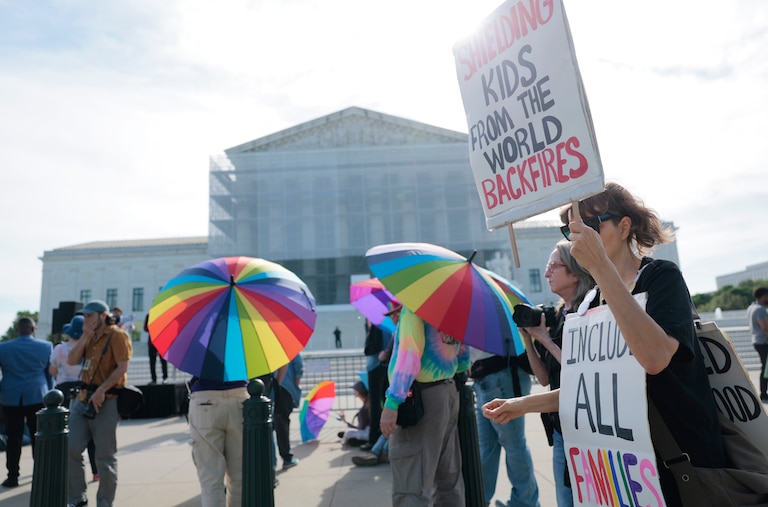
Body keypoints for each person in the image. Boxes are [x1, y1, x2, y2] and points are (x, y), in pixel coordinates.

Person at [482, 183, 726, 507]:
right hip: (623, 475)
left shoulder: (661, 278)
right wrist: (521, 405)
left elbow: (655, 358)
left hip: (677, 464)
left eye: (592, 224)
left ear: (624, 227)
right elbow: (588, 387)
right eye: (570, 228)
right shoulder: (589, 302)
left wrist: (600, 266)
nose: (578, 236)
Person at [517, 240, 595, 507]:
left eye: (553, 266)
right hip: (561, 426)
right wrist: (529, 339)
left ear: (574, 273)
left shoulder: (590, 311)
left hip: (588, 426)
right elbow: (544, 379)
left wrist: (546, 340)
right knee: (565, 501)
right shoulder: (559, 316)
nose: (546, 273)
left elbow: (583, 370)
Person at [380, 306, 470, 506]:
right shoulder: (451, 308)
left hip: (423, 398)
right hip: (447, 392)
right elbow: (463, 358)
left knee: (412, 482)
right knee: (449, 480)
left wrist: (392, 402)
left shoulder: (415, 308)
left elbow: (410, 355)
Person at [66, 300, 133, 507]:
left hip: (106, 401)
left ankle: (104, 502)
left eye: (89, 316)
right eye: (84, 316)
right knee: (71, 449)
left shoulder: (117, 335)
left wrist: (102, 389)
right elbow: (71, 359)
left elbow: (122, 367)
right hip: (82, 399)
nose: (85, 320)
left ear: (103, 316)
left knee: (105, 457)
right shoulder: (90, 336)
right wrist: (85, 335)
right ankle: (77, 499)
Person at [469, 345, 540, 507]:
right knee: (491, 447)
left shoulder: (491, 319)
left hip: (500, 375)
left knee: (513, 444)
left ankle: (524, 502)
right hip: (489, 378)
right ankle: (483, 498)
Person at [0, 317, 53, 488]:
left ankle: (12, 476)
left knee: (13, 438)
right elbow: (49, 374)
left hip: (11, 397)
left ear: (17, 329)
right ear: (33, 329)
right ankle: (40, 475)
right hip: (37, 395)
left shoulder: (3, 348)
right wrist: (49, 392)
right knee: (38, 436)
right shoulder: (46, 346)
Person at [50, 316, 99, 482]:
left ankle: (64, 469)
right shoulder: (90, 348)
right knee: (90, 430)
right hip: (84, 389)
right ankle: (96, 471)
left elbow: (52, 370)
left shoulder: (59, 349)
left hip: (62, 391)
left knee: (63, 430)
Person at [188, 377, 249, 507]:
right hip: (239, 395)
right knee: (240, 479)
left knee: (211, 482)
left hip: (204, 397)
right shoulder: (241, 355)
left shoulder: (202, 355)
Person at [274, 353, 303, 470]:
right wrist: (295, 385)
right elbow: (299, 366)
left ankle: (271, 463)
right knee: (282, 424)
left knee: (269, 427)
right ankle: (287, 458)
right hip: (285, 389)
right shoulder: (289, 348)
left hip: (269, 387)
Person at [747, 286, 768, 402]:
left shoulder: (751, 307)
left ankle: (764, 393)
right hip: (764, 342)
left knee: (765, 368)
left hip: (757, 341)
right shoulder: (760, 309)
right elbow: (765, 327)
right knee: (766, 368)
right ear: (763, 296)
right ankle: (764, 393)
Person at [337, 380, 370, 446]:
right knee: (348, 432)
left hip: (367, 433)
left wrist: (345, 421)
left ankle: (361, 441)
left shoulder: (364, 409)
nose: (353, 392)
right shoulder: (368, 404)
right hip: (370, 431)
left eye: (354, 390)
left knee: (348, 432)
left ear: (358, 392)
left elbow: (360, 428)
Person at [143, 314, 168, 384]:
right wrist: (153, 326)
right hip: (152, 342)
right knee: (152, 362)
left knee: (163, 360)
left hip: (161, 341)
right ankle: (154, 379)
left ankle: (165, 377)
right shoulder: (149, 316)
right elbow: (145, 328)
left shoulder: (162, 315)